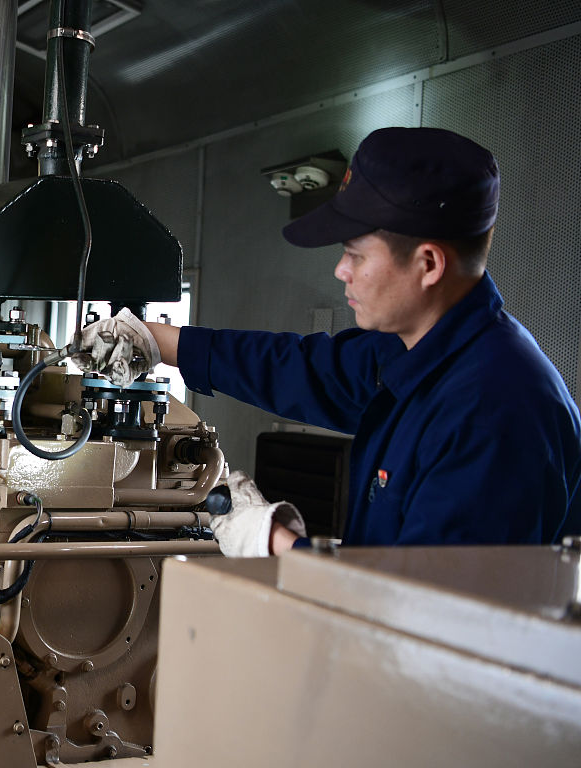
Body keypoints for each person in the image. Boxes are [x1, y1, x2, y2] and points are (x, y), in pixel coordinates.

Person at [75, 127, 581, 557]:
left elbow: (428, 626)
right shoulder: (415, 350)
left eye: (356, 254)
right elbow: (305, 369)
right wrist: (158, 342)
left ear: (428, 264)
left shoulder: (493, 413)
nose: (341, 271)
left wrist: (275, 541)